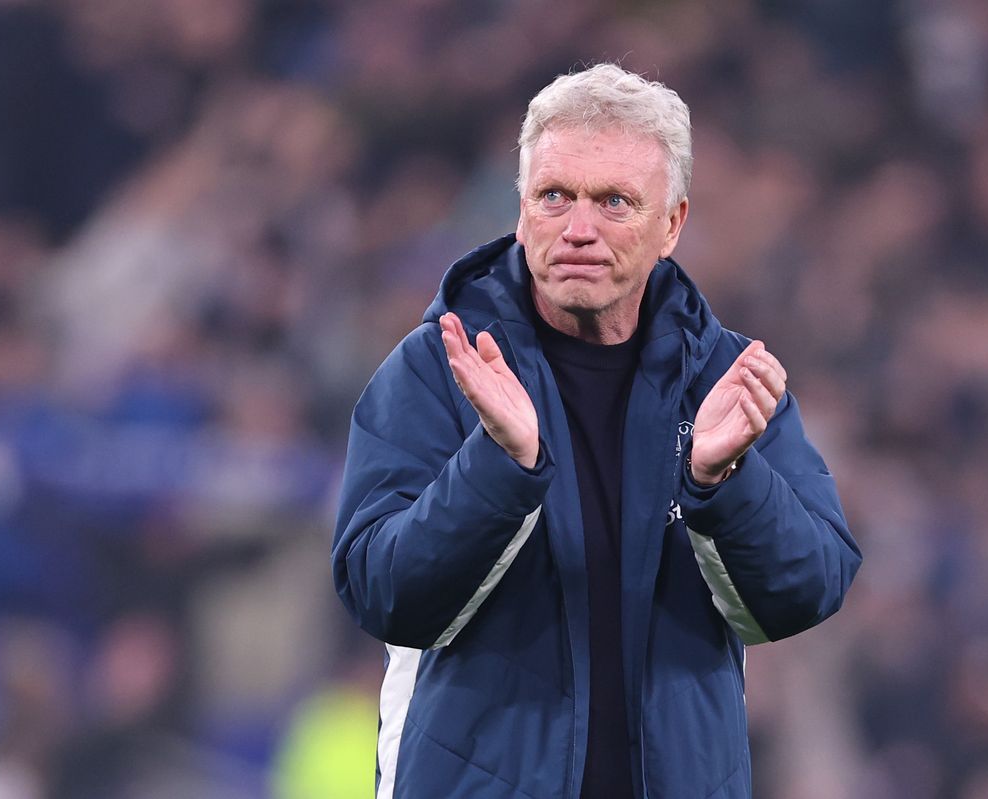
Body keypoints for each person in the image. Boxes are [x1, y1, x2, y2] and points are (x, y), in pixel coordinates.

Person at [332, 63, 861, 799]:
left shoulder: (727, 378)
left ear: (671, 223)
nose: (579, 228)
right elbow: (380, 593)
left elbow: (806, 590)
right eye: (556, 196)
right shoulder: (439, 366)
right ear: (521, 210)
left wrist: (722, 482)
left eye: (615, 201)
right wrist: (498, 466)